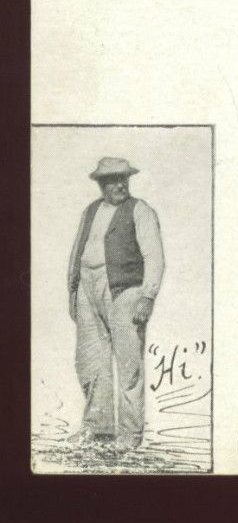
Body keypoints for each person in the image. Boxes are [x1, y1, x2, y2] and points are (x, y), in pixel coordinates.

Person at [66, 158, 164, 451]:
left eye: (124, 179)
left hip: (126, 291)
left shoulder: (140, 210)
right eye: (112, 180)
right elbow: (76, 252)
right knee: (91, 361)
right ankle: (99, 429)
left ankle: (130, 436)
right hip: (88, 287)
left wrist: (148, 296)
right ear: (101, 184)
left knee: (129, 363)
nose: (120, 184)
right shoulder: (90, 211)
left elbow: (155, 256)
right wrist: (73, 291)